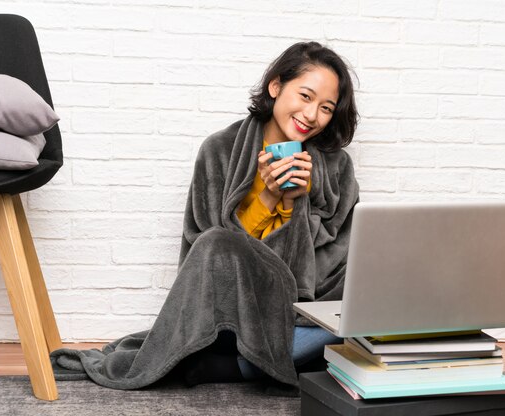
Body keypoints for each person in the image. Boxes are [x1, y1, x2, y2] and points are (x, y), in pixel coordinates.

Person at [51, 41, 360, 393]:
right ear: (276, 87)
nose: (312, 114)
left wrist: (298, 205)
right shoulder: (220, 150)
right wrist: (270, 196)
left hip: (305, 311)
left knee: (374, 276)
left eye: (326, 108)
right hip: (238, 312)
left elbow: (342, 253)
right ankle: (271, 361)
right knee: (217, 242)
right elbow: (210, 255)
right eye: (305, 96)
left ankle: (238, 368)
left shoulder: (336, 167)